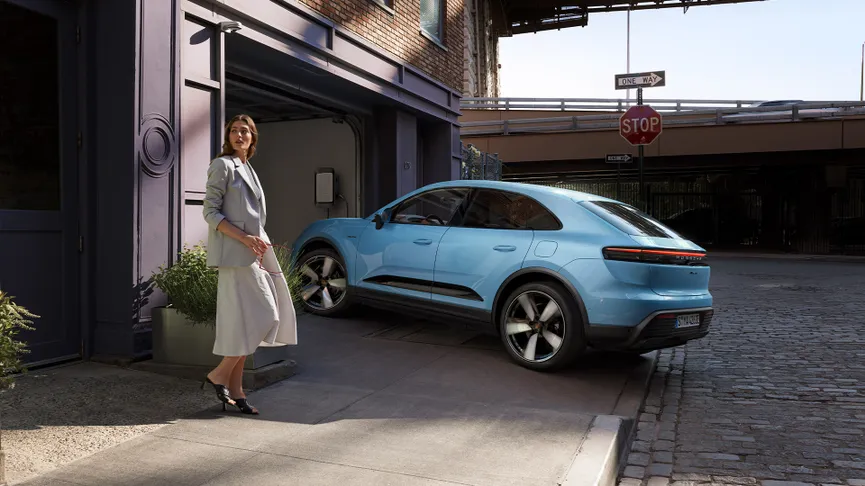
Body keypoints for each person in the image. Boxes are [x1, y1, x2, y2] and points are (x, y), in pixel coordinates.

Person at [200, 114, 298, 415]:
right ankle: (218, 375)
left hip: (253, 253)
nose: (238, 135)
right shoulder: (223, 165)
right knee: (267, 314)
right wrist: (245, 239)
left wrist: (261, 246)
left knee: (242, 324)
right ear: (228, 137)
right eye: (234, 131)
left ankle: (238, 392)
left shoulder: (248, 168)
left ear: (253, 138)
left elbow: (254, 218)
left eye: (245, 131)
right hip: (235, 256)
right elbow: (210, 213)